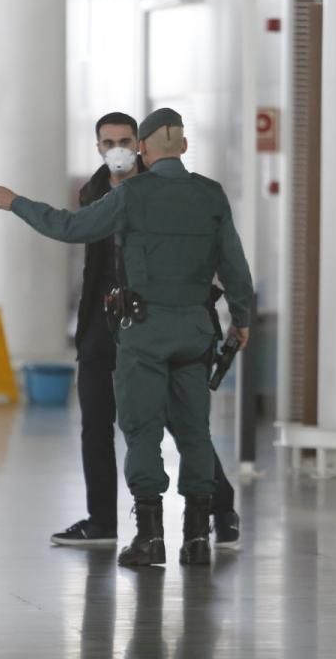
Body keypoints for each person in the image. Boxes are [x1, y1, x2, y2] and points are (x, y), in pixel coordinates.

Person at [0, 107, 253, 567]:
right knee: (193, 430)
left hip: (144, 334)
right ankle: (196, 537)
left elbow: (69, 227)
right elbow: (234, 264)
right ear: (184, 146)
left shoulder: (133, 196)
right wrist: (242, 319)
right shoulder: (211, 195)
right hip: (195, 332)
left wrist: (17, 203)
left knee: (143, 428)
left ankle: (149, 539)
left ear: (144, 150)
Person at [50, 111, 241, 551]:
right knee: (96, 421)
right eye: (107, 141)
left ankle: (221, 504)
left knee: (179, 420)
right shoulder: (93, 191)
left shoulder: (163, 188)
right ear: (98, 146)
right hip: (104, 321)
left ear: (141, 144)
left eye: (125, 139)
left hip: (154, 321)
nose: (116, 147)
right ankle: (102, 520)